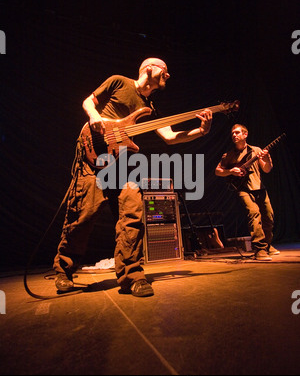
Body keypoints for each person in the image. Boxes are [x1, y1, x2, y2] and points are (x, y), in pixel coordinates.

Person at [54, 57, 213, 296]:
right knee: (84, 214)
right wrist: (94, 116)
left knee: (133, 213)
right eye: (165, 70)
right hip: (94, 153)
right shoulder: (119, 82)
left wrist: (201, 131)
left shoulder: (150, 108)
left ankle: (133, 275)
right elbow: (88, 101)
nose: (168, 75)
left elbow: (169, 137)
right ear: (149, 69)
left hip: (122, 165)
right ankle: (63, 269)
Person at [215, 124, 279, 261]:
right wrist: (230, 171)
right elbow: (217, 171)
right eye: (233, 133)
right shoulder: (229, 155)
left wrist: (266, 158)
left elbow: (267, 169)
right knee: (254, 214)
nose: (234, 135)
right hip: (243, 189)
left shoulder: (256, 150)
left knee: (269, 217)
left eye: (237, 132)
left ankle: (267, 246)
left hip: (259, 187)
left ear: (245, 135)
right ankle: (260, 249)